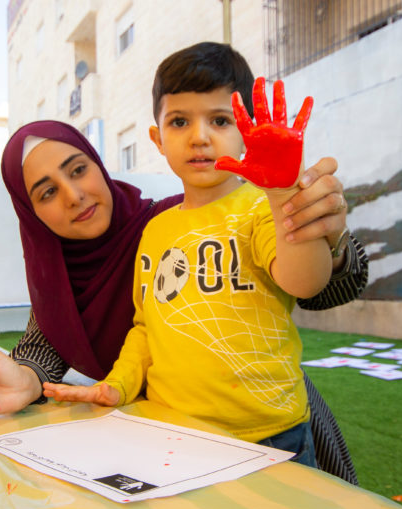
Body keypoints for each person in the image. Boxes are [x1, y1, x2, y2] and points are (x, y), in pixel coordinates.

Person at [42, 42, 350, 469]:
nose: (200, 136)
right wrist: (118, 385)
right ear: (157, 138)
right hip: (172, 430)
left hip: (270, 436)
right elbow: (146, 328)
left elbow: (306, 281)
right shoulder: (155, 230)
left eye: (220, 120)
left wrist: (283, 198)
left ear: (247, 130)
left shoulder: (261, 207)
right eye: (180, 121)